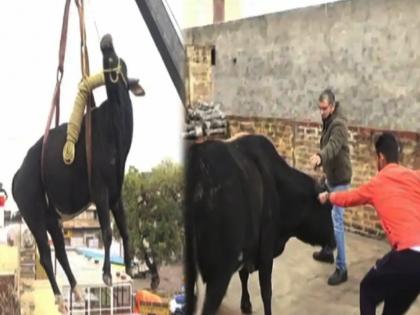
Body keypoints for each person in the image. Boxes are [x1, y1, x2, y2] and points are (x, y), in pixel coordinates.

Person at [319, 132, 420, 315]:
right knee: (393, 304)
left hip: (407, 254)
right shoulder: (415, 177)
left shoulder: (376, 184)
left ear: (380, 157)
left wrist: (328, 197)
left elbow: (349, 197)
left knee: (367, 290)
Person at [310, 89, 352, 285]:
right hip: (331, 177)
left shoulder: (338, 125)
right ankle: (328, 249)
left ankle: (342, 268)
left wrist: (320, 156)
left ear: (333, 107)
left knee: (337, 222)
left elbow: (333, 146)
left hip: (340, 180)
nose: (321, 112)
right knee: (322, 208)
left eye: (324, 108)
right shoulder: (329, 121)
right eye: (320, 108)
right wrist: (322, 164)